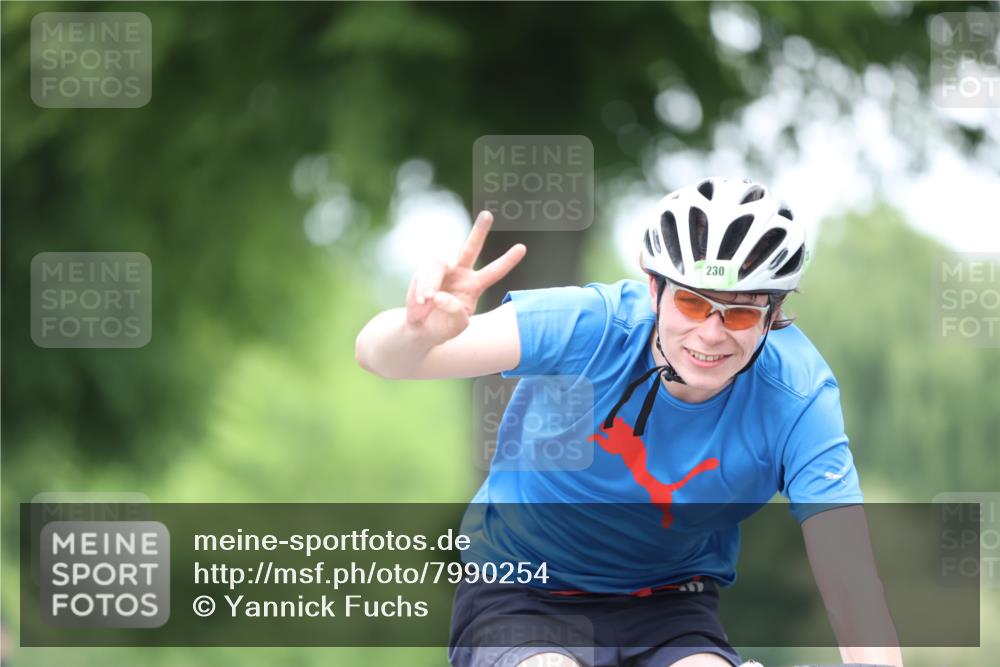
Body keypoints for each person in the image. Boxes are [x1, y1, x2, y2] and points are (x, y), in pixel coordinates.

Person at [355, 177, 902, 667]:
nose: (711, 335)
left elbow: (850, 581)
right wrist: (419, 332)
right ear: (654, 289)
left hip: (668, 605)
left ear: (774, 316)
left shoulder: (798, 395)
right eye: (691, 304)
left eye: (738, 313)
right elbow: (379, 357)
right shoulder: (589, 327)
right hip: (522, 587)